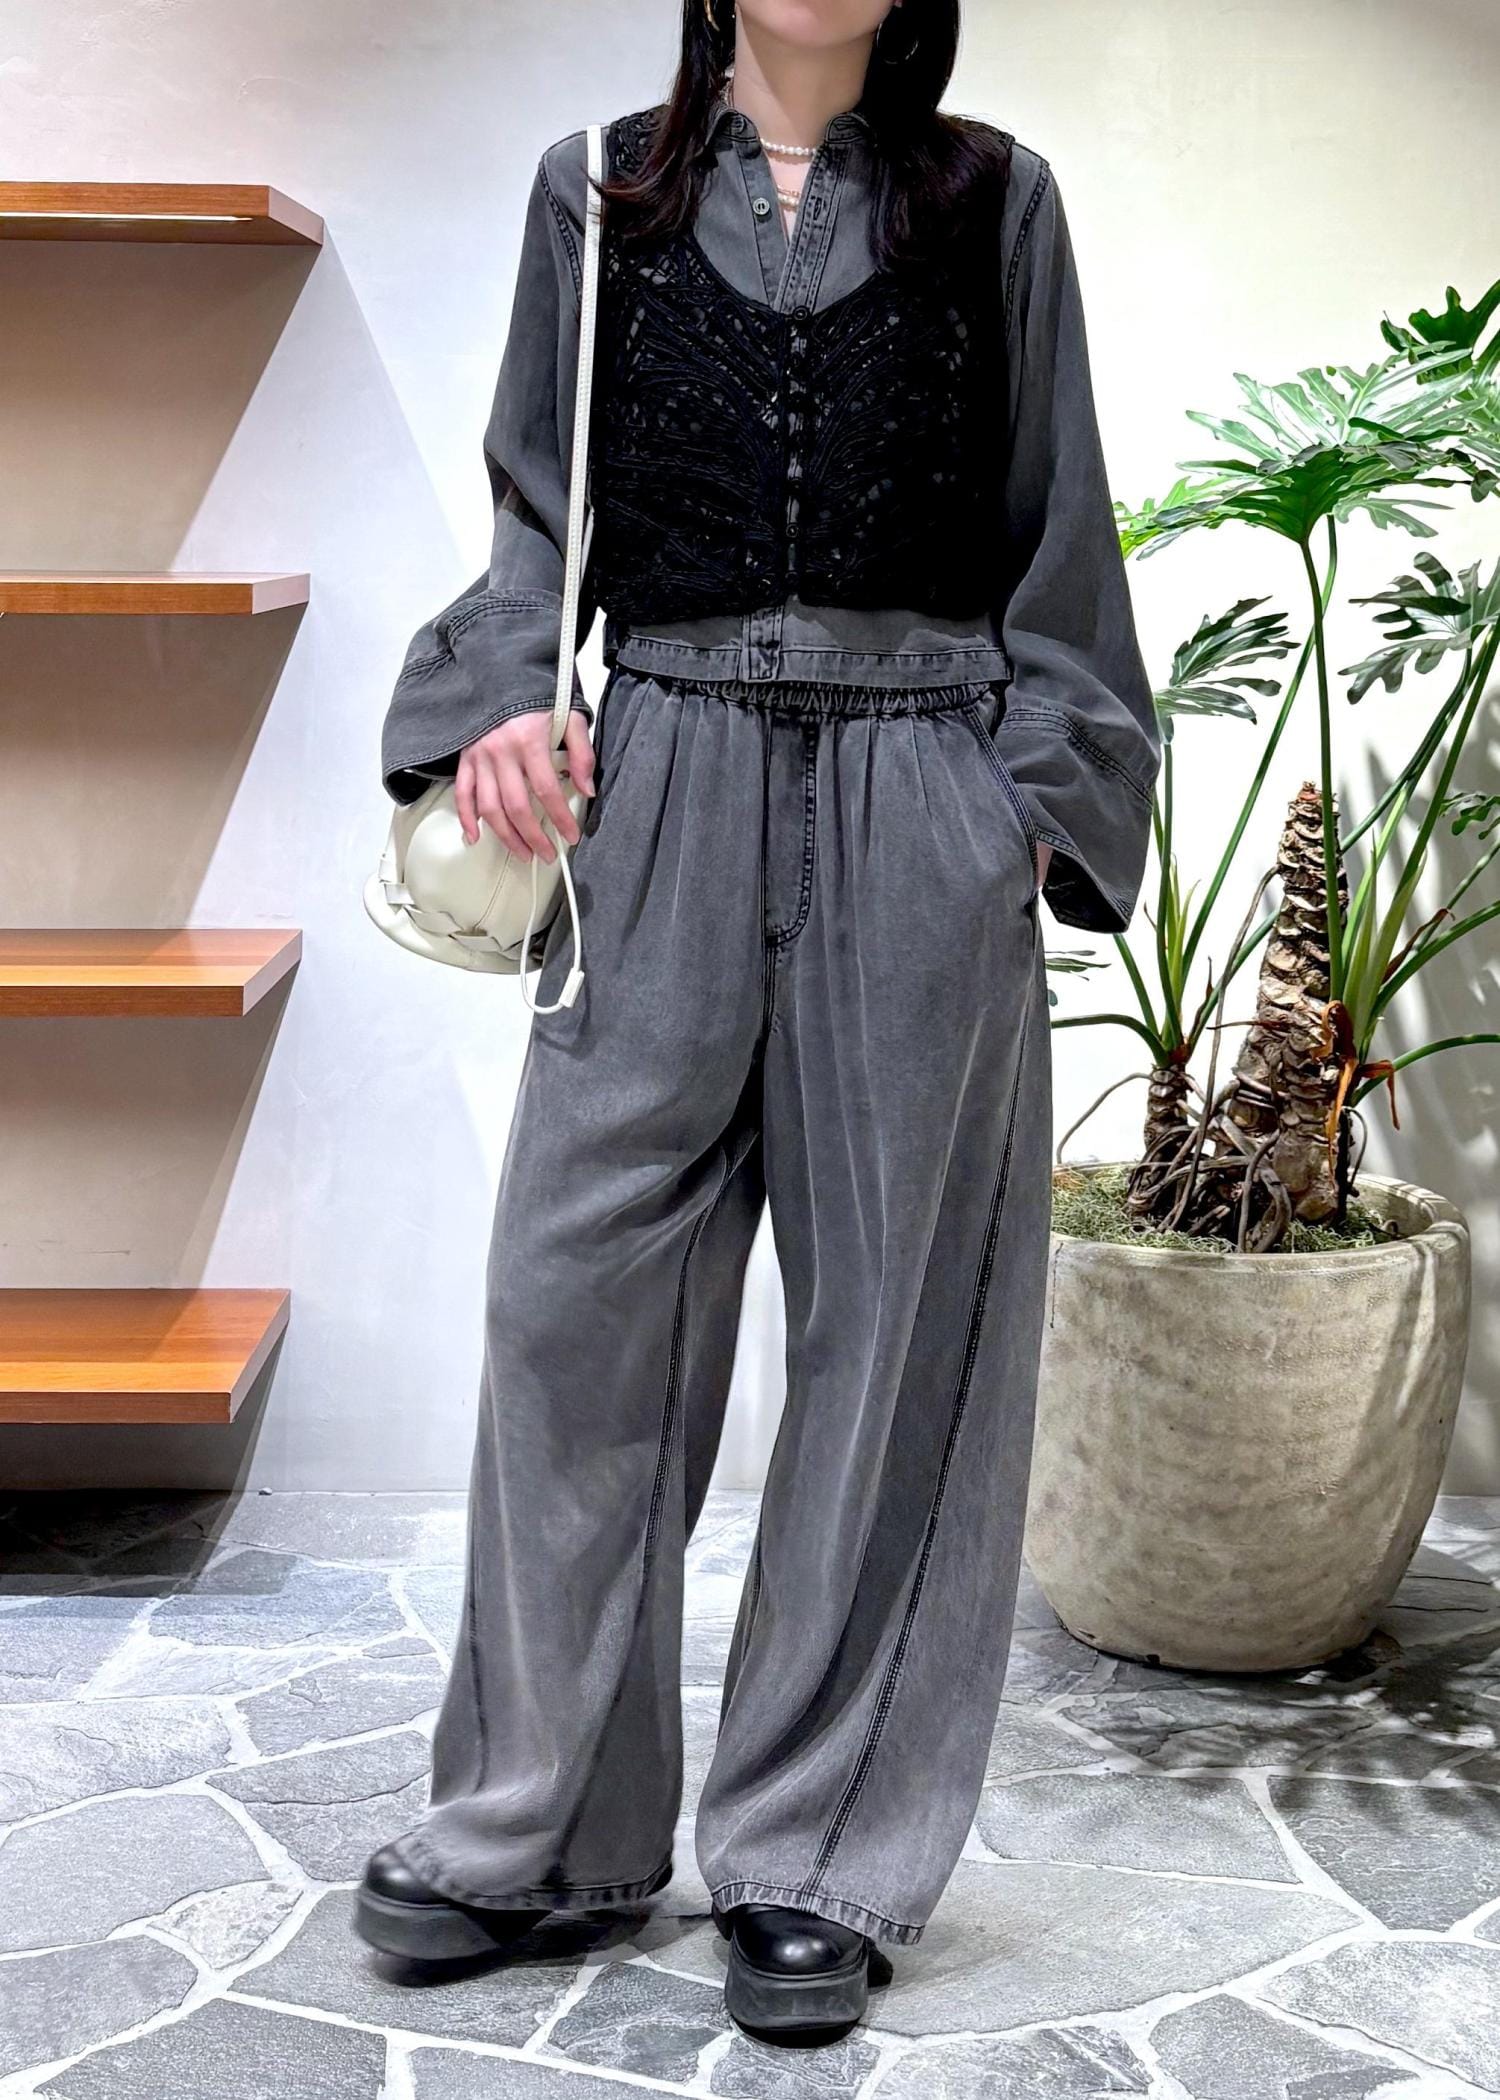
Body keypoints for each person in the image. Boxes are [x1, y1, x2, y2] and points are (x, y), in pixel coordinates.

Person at [361, 0, 1160, 2047]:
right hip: (665, 772)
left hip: (921, 785)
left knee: (897, 1336)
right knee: (573, 1306)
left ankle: (817, 1855)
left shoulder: (996, 205)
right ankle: (543, 1824)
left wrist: (1022, 811)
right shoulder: (597, 192)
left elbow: (1060, 534)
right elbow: (534, 517)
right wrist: (498, 708)